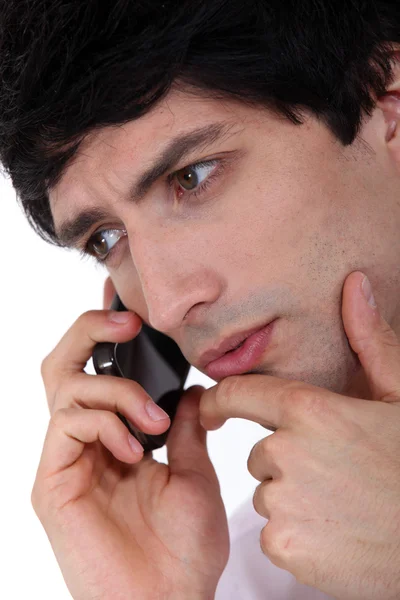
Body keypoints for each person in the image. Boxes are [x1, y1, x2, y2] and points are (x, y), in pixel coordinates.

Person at [1, 0, 400, 598]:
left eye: (192, 176)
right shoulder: (242, 572)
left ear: (386, 110)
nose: (163, 306)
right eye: (106, 239)